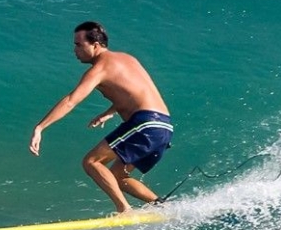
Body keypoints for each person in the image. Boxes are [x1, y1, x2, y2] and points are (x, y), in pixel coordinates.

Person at [29, 21, 173, 213]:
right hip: (163, 125)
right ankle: (163, 207)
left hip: (145, 124)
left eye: (79, 44)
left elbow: (71, 100)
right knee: (117, 175)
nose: (75, 49)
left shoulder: (100, 68)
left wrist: (40, 128)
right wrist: (109, 112)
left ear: (95, 45)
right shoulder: (127, 59)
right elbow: (136, 92)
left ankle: (124, 210)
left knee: (92, 162)